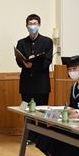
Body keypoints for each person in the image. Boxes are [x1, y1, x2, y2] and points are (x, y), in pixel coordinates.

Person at [16, 14, 53, 143]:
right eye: (30, 24)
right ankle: (29, 137)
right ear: (26, 26)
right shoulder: (21, 42)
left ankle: (42, 137)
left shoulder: (47, 41)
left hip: (41, 83)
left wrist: (33, 65)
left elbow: (47, 60)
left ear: (39, 25)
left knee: (42, 111)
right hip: (26, 82)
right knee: (28, 112)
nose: (33, 26)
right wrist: (24, 64)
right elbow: (18, 59)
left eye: (35, 23)